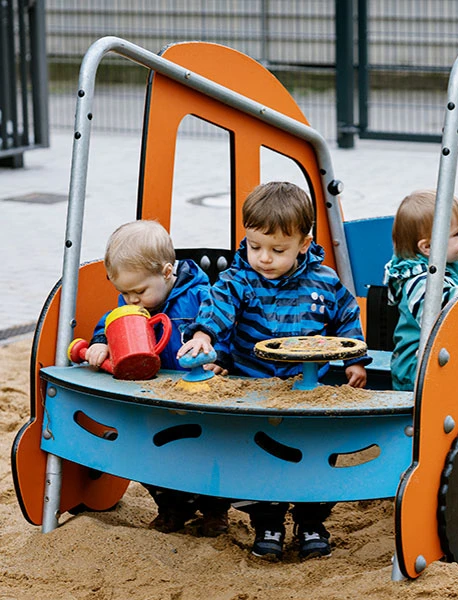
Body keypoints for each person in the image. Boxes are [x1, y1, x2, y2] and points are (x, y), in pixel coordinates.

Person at [179, 181, 372, 561]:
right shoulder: (240, 280)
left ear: (304, 243)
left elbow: (347, 317)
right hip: (256, 388)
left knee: (316, 454)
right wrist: (205, 334)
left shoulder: (325, 283)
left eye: (277, 249)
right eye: (255, 246)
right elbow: (219, 306)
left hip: (308, 391)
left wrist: (354, 361)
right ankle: (267, 523)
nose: (264, 258)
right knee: (260, 457)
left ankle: (311, 521)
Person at [86, 219, 230, 537]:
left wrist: (221, 359)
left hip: (197, 396)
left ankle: (215, 511)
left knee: (207, 453)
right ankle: (171, 508)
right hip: (154, 397)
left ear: (167, 273)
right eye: (123, 292)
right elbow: (110, 321)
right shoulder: (134, 304)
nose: (131, 300)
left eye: (138, 291)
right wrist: (101, 341)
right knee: (150, 451)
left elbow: (223, 327)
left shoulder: (201, 297)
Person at [385, 189, 458, 391]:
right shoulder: (421, 281)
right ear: (427, 247)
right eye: (457, 234)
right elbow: (451, 308)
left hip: (433, 362)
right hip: (416, 369)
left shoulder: (442, 270)